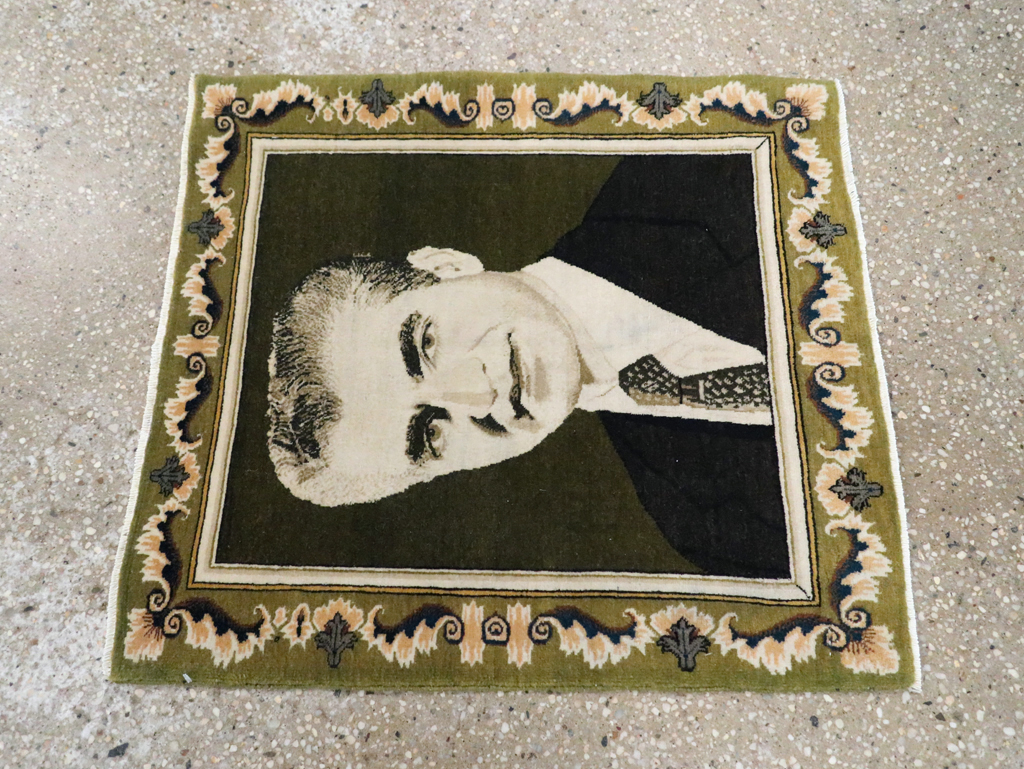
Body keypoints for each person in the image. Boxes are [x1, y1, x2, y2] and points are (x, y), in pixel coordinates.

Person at [267, 155, 790, 577]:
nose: (479, 394)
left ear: (447, 267)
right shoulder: (705, 528)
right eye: (431, 435)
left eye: (426, 344)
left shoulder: (702, 169)